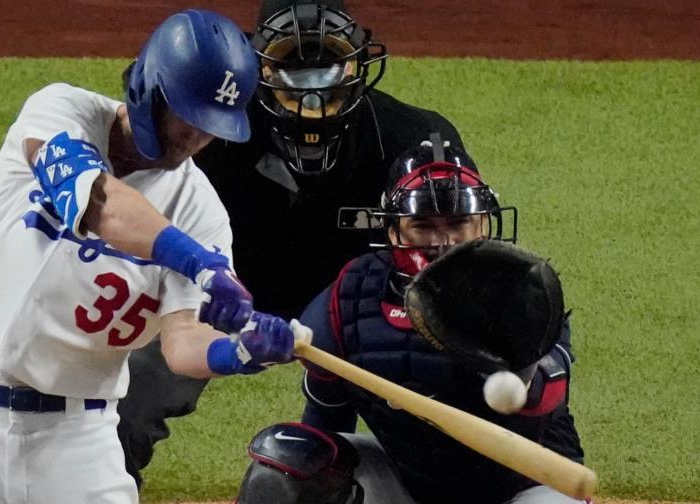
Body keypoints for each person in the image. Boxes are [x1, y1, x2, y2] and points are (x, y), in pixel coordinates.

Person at [0, 9, 296, 504]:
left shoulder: (199, 211)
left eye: (210, 125)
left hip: (77, 445)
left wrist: (238, 352)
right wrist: (200, 263)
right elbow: (101, 204)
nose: (196, 137)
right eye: (188, 115)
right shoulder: (59, 111)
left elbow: (181, 342)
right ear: (150, 88)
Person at [117, 0, 475, 484]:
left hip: (360, 308)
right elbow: (133, 211)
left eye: (328, 68)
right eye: (294, 70)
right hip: (218, 292)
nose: (313, 95)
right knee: (127, 394)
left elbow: (461, 260)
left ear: (356, 66)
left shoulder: (410, 140)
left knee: (434, 396)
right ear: (258, 69)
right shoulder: (207, 127)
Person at [235, 138, 587, 504]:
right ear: (392, 231)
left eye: (459, 222)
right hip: (408, 486)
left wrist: (522, 370)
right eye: (423, 225)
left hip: (526, 485)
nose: (443, 242)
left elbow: (547, 399)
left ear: (483, 224)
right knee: (287, 465)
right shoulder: (352, 297)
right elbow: (326, 418)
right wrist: (313, 486)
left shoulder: (523, 294)